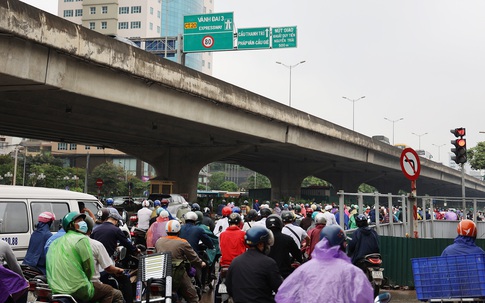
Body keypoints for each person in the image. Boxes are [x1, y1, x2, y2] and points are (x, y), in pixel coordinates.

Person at [275, 225, 374, 303]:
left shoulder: (304, 269)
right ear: (343, 244)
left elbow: (285, 295)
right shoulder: (352, 272)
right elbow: (364, 298)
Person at [46, 212, 112, 303]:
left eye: (82, 220)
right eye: (79, 221)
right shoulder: (81, 239)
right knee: (109, 291)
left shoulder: (55, 242)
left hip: (56, 288)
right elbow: (88, 268)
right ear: (71, 224)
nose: (83, 223)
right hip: (78, 288)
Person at [226, 226, 283, 303]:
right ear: (260, 244)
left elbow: (229, 288)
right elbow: (280, 288)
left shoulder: (235, 261)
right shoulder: (269, 263)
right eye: (266, 244)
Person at [155, 220, 206, 303]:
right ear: (179, 230)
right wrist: (201, 263)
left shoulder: (159, 241)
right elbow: (193, 257)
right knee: (193, 297)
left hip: (161, 273)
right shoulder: (182, 243)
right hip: (177, 272)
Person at [84, 216, 124, 303]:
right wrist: (119, 271)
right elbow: (108, 268)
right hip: (88, 286)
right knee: (113, 293)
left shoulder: (61, 244)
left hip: (64, 286)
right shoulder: (95, 244)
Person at [266, 214, 302, 278]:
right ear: (280, 224)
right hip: (284, 273)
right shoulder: (287, 239)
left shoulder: (263, 240)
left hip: (266, 273)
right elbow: (297, 254)